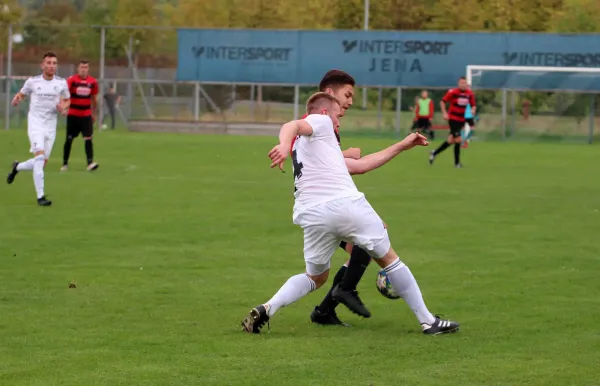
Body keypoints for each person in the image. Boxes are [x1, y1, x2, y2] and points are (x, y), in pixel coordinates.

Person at [241, 92, 460, 336]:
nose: (339, 123)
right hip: (343, 205)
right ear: (324, 113)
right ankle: (428, 321)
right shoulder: (321, 121)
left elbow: (361, 166)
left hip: (312, 215)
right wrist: (282, 142)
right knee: (389, 259)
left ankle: (267, 308)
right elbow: (291, 124)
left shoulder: (310, 148)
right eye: (337, 116)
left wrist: (401, 146)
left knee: (315, 276)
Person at [6, 51, 70, 206]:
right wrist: (16, 100)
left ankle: (17, 167)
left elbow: (67, 100)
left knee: (41, 162)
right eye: (48, 63)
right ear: (42, 65)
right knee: (39, 158)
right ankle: (41, 197)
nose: (51, 66)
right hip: (36, 124)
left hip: (50, 126)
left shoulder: (61, 83)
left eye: (54, 63)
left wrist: (63, 108)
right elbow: (22, 94)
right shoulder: (32, 82)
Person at [61, 60, 99, 172]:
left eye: (86, 67)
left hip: (86, 115)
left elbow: (94, 99)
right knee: (69, 139)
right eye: (82, 67)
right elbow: (65, 95)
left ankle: (90, 163)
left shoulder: (92, 82)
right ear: (78, 68)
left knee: (88, 138)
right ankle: (65, 163)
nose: (83, 69)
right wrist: (64, 107)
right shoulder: (72, 80)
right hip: (73, 115)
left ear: (88, 69)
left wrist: (94, 113)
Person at [429, 77, 476, 168]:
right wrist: (444, 113)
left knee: (450, 141)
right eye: (461, 82)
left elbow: (473, 105)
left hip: (461, 120)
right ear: (458, 84)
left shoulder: (469, 94)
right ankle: (457, 163)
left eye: (465, 83)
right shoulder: (453, 92)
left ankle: (434, 153)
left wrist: (473, 110)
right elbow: (442, 101)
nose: (463, 84)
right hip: (453, 119)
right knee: (458, 139)